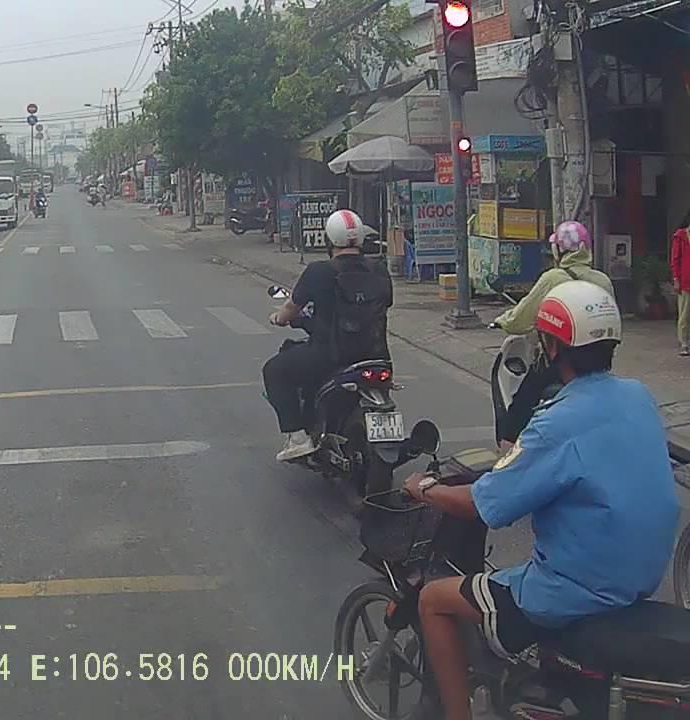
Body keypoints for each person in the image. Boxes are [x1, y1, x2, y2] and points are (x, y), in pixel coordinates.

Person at [404, 280, 679, 720]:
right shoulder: (638, 397)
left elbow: (485, 504)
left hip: (572, 592)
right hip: (637, 579)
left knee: (433, 600)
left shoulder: (554, 424)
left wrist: (425, 489)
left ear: (552, 347)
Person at [264, 209, 393, 461]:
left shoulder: (318, 271)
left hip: (330, 356)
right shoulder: (379, 270)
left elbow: (291, 308)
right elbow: (384, 304)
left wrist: (279, 317)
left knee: (274, 370)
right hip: (376, 355)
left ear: (329, 240)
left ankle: (297, 437)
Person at [492, 221, 613, 445]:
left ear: (558, 250)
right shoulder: (602, 281)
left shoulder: (553, 278)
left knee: (521, 405)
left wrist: (503, 321)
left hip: (560, 363)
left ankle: (509, 451)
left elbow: (521, 319)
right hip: (599, 362)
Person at [671, 212, 690, 356]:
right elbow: (675, 259)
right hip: (685, 282)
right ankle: (684, 343)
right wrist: (676, 279)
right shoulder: (681, 236)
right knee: (685, 314)